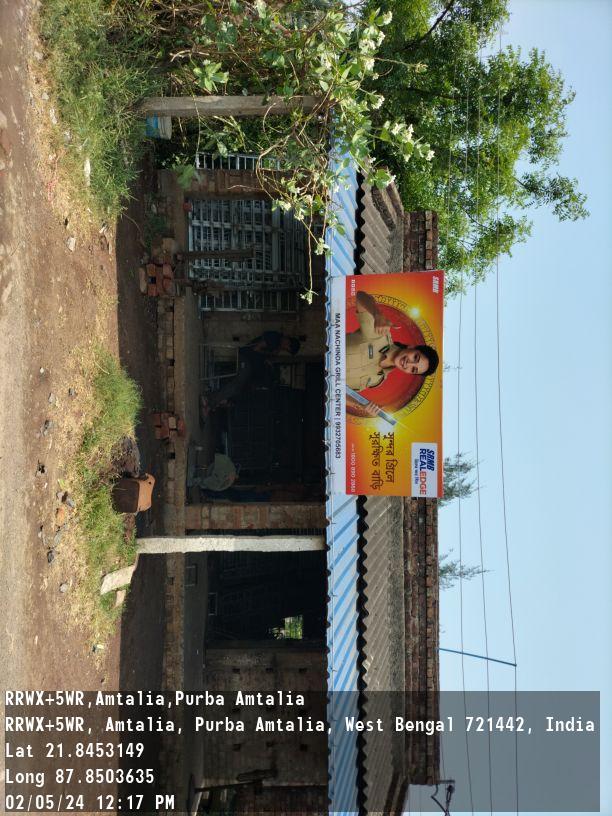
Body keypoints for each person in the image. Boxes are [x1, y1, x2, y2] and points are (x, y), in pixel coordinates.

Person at [346, 290, 439, 417]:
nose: (408, 363)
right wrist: (377, 314)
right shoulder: (380, 335)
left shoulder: (377, 380)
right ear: (412, 347)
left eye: (413, 369)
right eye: (415, 357)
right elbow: (360, 297)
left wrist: (360, 404)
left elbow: (339, 391)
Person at [200, 332, 303, 420]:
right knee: (236, 385)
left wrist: (268, 360)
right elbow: (256, 348)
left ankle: (210, 399)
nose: (285, 349)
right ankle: (209, 403)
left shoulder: (277, 345)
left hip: (250, 364)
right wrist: (266, 358)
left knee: (238, 389)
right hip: (246, 358)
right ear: (288, 343)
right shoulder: (275, 339)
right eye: (287, 349)